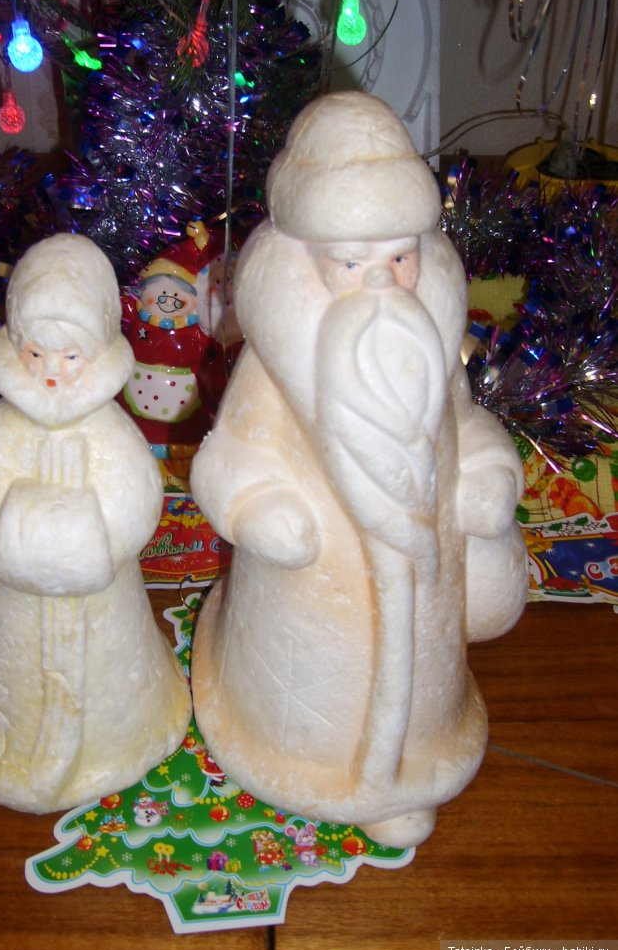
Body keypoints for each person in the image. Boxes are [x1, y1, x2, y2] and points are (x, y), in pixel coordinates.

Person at [189, 92, 528, 846]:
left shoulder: (424, 350)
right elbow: (232, 453)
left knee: (420, 674)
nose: (383, 283)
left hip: (425, 597)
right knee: (310, 682)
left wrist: (484, 471)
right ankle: (288, 753)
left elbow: (464, 422)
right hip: (304, 600)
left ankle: (406, 771)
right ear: (307, 262)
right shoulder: (279, 363)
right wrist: (256, 507)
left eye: (401, 259)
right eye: (352, 263)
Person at [0, 234, 191, 813]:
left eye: (70, 357)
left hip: (106, 615)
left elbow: (135, 501)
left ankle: (121, 740)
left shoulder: (111, 434)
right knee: (7, 678)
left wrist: (95, 542)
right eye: (37, 355)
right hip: (6, 614)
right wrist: (12, 531)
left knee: (110, 688)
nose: (52, 374)